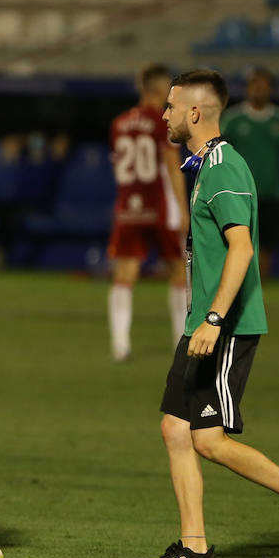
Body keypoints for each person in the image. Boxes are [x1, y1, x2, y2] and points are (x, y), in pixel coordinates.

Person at [129, 69, 279, 558]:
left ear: (195, 112)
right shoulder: (206, 165)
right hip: (201, 325)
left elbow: (241, 249)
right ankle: (194, 548)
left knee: (207, 439)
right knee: (175, 429)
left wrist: (214, 318)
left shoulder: (224, 167)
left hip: (222, 328)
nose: (164, 114)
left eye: (172, 106)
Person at [107, 63, 188, 362]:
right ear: (161, 89)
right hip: (161, 206)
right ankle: (181, 343)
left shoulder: (119, 123)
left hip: (128, 206)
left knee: (125, 274)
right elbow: (172, 166)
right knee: (178, 271)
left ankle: (120, 345)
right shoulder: (163, 121)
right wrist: (183, 209)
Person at [220, 67, 279, 275]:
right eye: (255, 85)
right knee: (237, 242)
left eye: (263, 86)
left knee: (266, 246)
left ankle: (259, 286)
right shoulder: (233, 118)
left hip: (271, 192)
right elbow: (218, 149)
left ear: (271, 89)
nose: (258, 90)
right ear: (248, 88)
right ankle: (236, 284)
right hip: (239, 192)